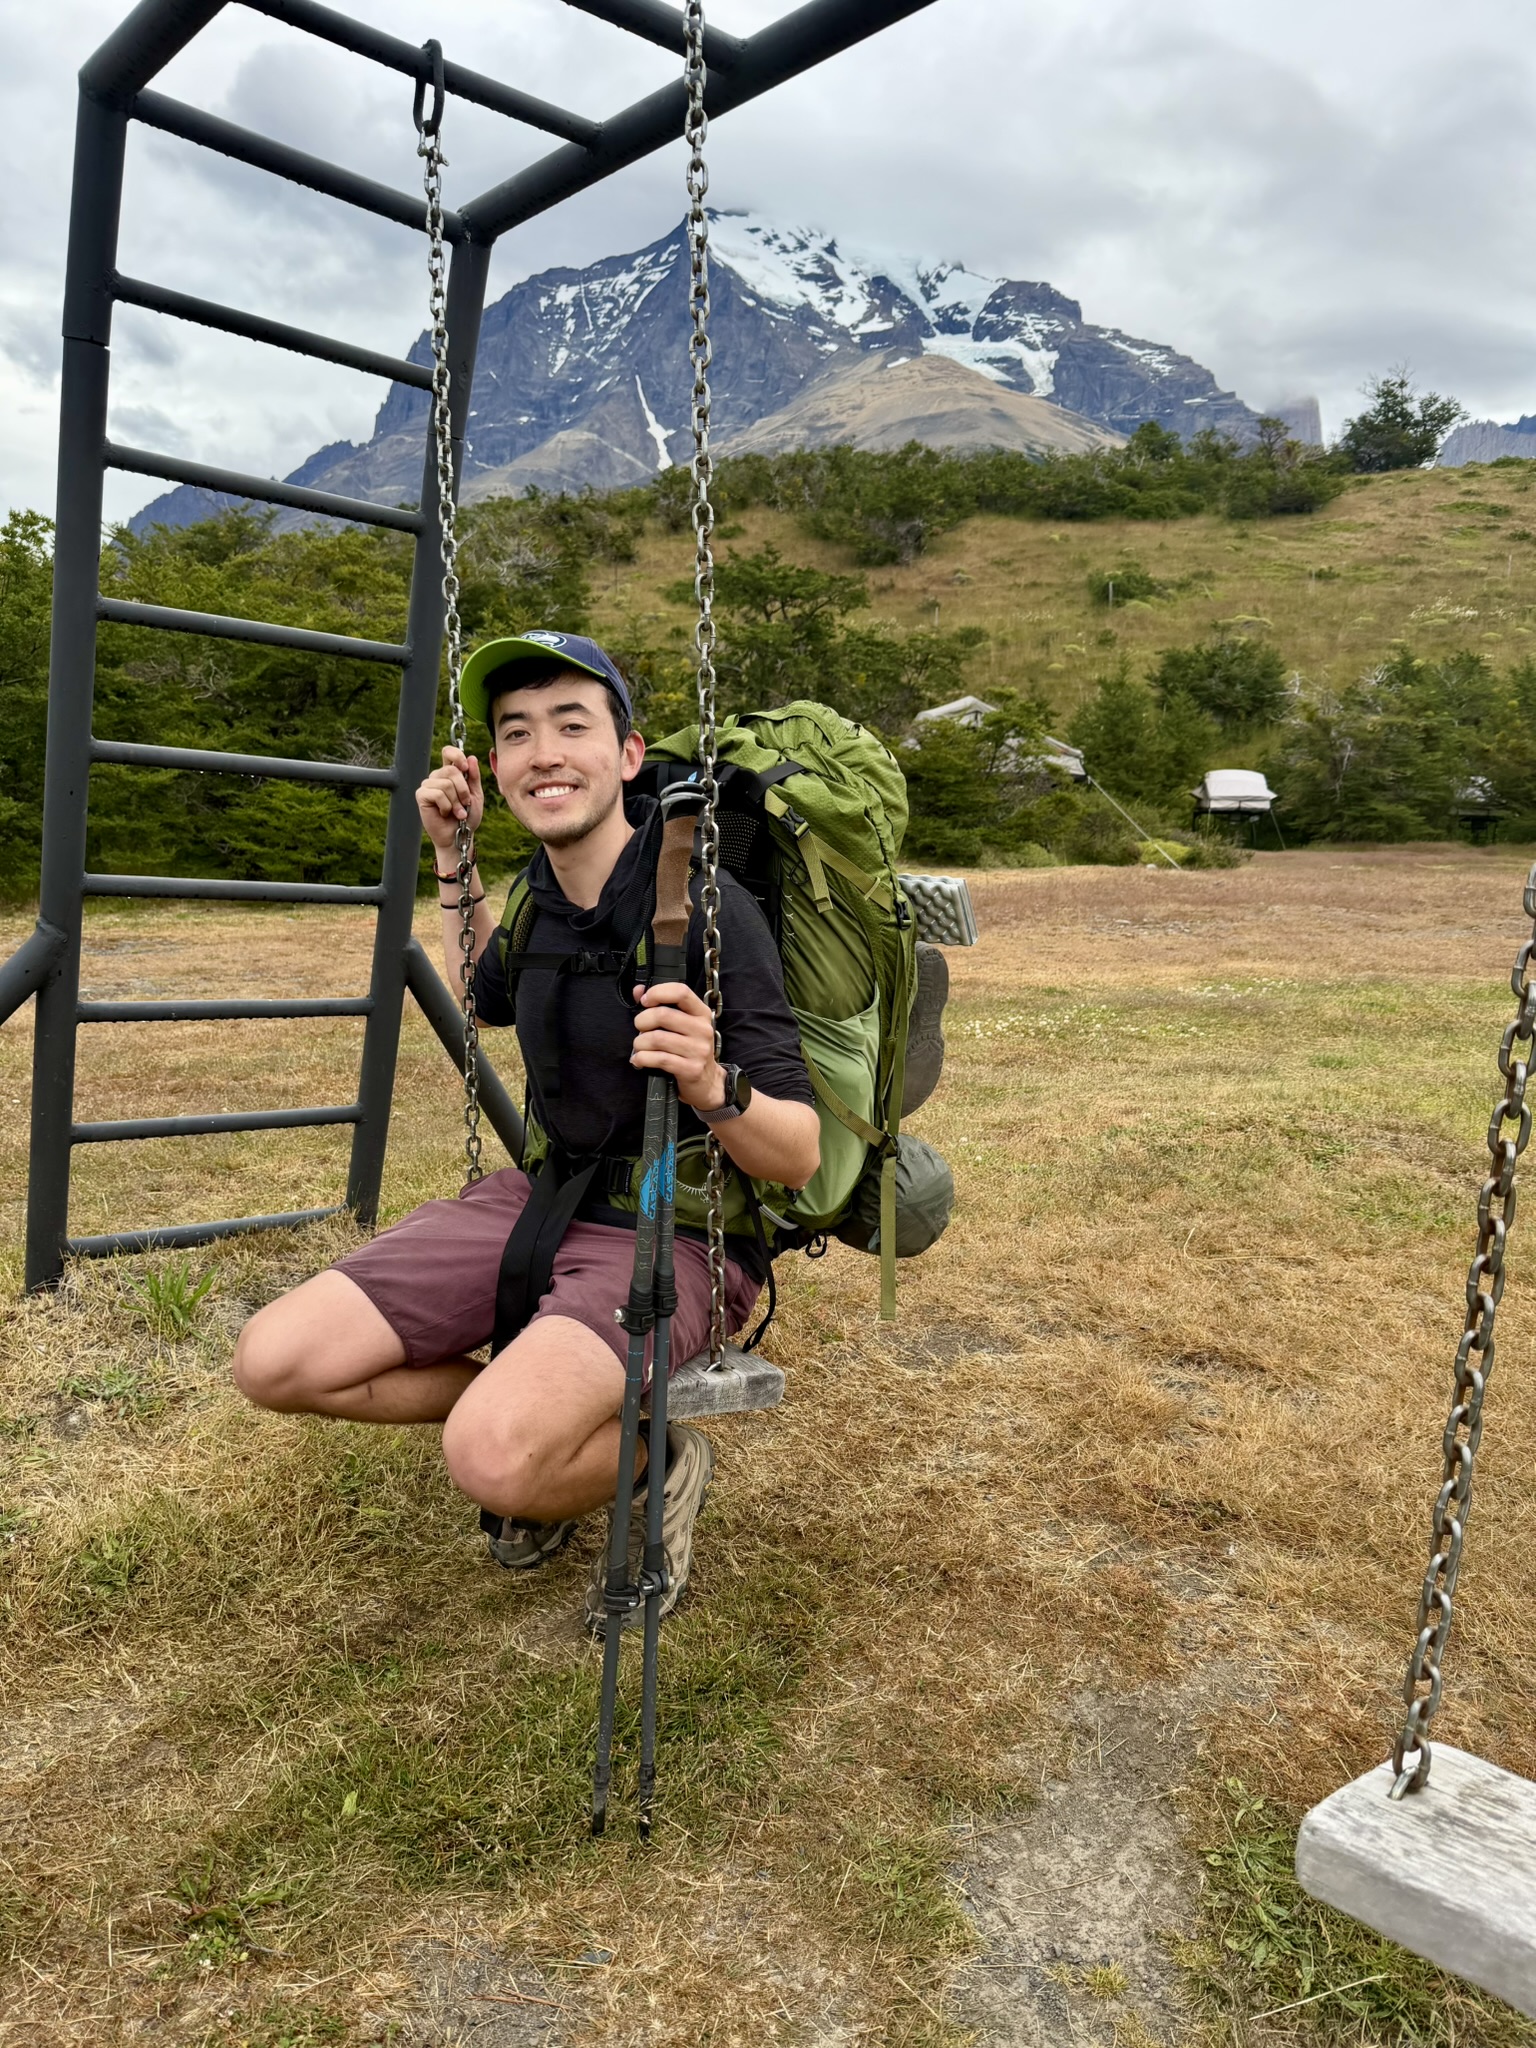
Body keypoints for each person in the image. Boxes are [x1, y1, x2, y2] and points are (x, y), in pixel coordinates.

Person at [232, 631, 818, 1632]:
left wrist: (715, 1083)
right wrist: (452, 852)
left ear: (627, 756)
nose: (543, 750)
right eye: (516, 733)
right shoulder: (540, 898)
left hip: (673, 1231)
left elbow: (798, 1151)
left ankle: (649, 1454)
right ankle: (559, 1417)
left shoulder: (708, 907)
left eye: (571, 725)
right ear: (494, 768)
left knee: (491, 1453)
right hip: (542, 1198)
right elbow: (485, 996)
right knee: (274, 1360)